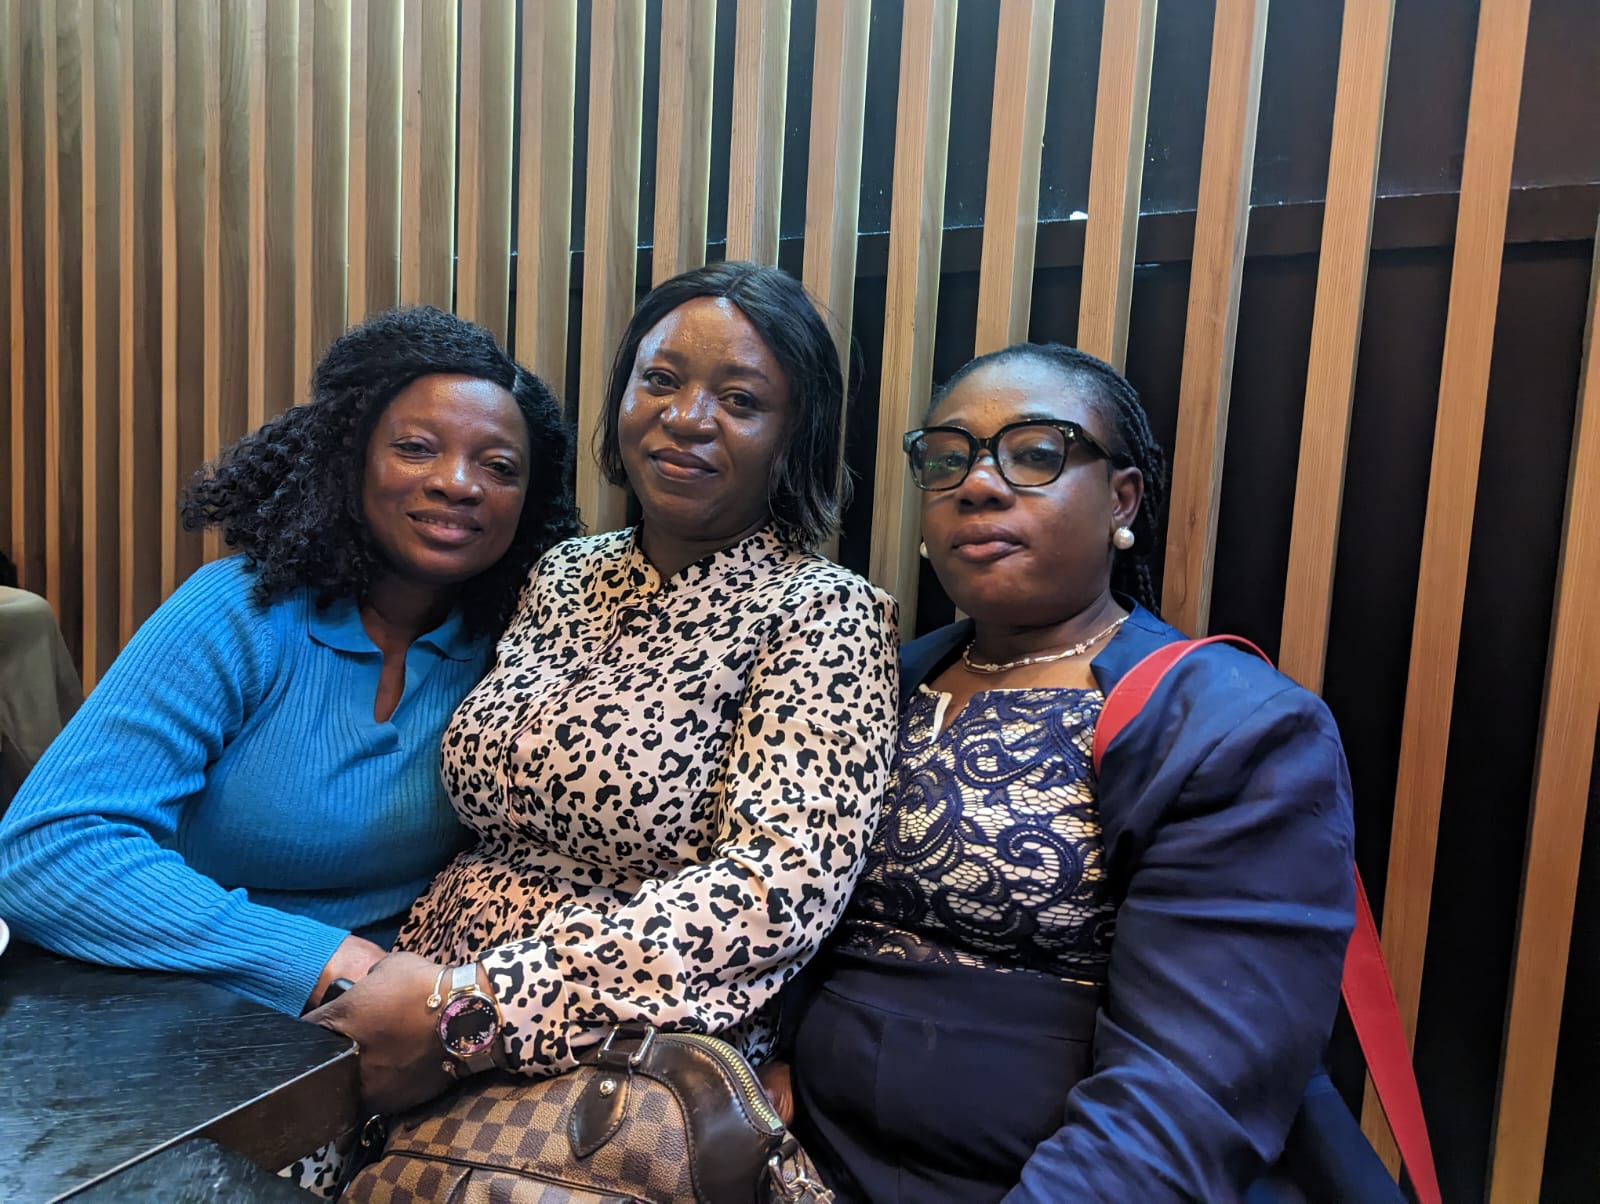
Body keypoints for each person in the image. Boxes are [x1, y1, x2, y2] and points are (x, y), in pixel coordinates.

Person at [308, 261, 900, 1121]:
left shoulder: (826, 612)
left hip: (616, 1042)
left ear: (792, 436)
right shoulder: (562, 573)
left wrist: (481, 1008)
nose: (686, 418)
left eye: (740, 400)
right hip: (417, 982)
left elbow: (778, 892)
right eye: (660, 380)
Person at [769, 343, 1356, 1201]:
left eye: (1037, 452)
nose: (978, 484)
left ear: (1122, 499)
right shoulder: (869, 681)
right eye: (947, 458)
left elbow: (1185, 1095)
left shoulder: (1231, 722)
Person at [0, 307, 578, 1016]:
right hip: (184, 1007)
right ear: (349, 461)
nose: (458, 483)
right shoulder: (241, 611)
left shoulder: (522, 649)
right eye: (416, 448)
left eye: (499, 467)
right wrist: (327, 962)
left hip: (405, 1018)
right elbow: (47, 851)